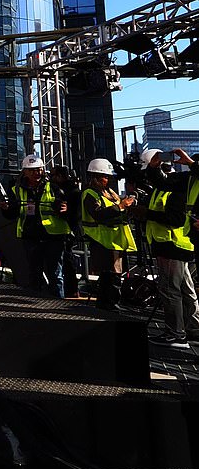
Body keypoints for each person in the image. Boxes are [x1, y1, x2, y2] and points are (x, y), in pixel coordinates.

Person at [135, 147, 199, 350]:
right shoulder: (183, 181)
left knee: (171, 290)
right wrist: (154, 168)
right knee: (183, 289)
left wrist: (147, 214)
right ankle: (189, 330)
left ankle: (177, 334)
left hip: (174, 243)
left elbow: (175, 218)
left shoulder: (189, 182)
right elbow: (162, 182)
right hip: (173, 243)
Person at [0, 154, 70, 297]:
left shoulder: (53, 187)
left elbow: (68, 209)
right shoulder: (16, 189)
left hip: (53, 236)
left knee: (55, 273)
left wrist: (64, 210)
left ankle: (58, 304)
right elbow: (13, 214)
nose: (36, 173)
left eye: (38, 170)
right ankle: (37, 303)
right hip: (31, 235)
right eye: (32, 170)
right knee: (34, 272)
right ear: (24, 171)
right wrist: (6, 209)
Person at [80, 158, 137, 310]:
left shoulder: (109, 193)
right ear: (95, 177)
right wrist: (120, 206)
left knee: (110, 276)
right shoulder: (90, 194)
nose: (108, 180)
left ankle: (107, 304)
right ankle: (110, 304)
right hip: (102, 240)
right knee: (111, 276)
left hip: (114, 240)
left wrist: (127, 207)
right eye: (105, 177)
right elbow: (98, 214)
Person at [49, 163, 83, 297]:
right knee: (65, 260)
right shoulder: (70, 189)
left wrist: (62, 213)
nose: (50, 178)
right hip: (66, 229)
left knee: (66, 260)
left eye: (53, 175)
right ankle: (71, 289)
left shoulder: (70, 191)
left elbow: (74, 214)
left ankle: (71, 289)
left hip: (67, 229)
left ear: (60, 176)